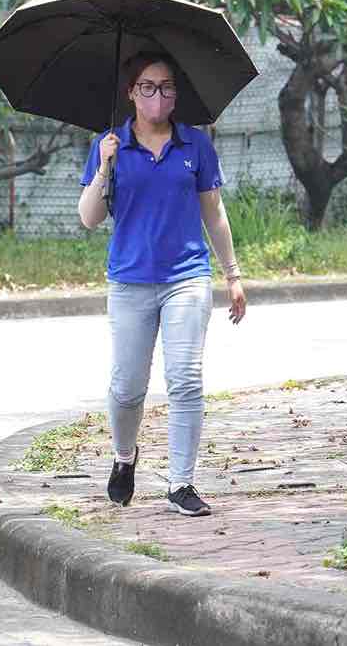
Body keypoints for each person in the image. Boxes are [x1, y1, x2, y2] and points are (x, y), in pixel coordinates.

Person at [78, 51, 247, 519]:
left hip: (187, 278)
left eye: (168, 87)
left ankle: (181, 482)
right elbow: (89, 218)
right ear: (131, 92)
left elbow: (214, 212)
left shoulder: (195, 145)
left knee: (186, 378)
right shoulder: (109, 145)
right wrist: (104, 167)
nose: (159, 96)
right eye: (148, 87)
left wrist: (233, 275)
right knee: (127, 386)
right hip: (130, 281)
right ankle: (124, 456)